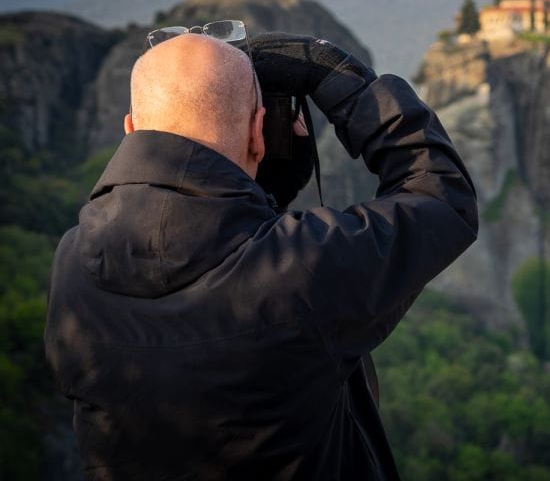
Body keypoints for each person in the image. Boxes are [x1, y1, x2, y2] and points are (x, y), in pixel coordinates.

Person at [44, 31, 478, 479]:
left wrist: (259, 193)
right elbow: (442, 199)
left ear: (131, 128)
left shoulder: (72, 263)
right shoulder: (302, 268)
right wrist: (355, 89)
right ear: (258, 132)